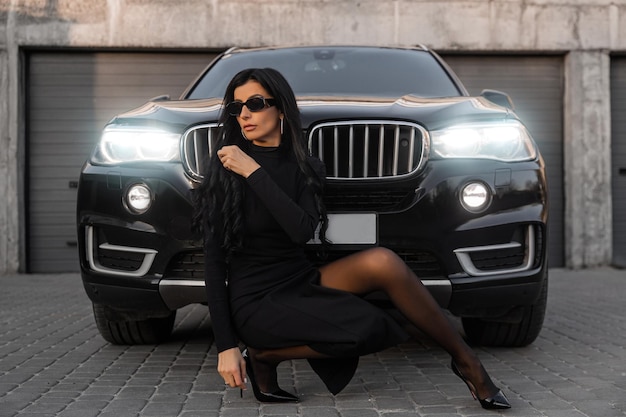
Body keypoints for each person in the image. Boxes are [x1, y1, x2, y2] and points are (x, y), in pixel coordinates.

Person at [194, 67, 511, 410]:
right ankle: (264, 354)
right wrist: (225, 346)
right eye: (236, 107)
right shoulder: (226, 167)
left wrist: (254, 172)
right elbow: (213, 263)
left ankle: (466, 361)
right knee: (365, 331)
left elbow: (300, 231)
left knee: (383, 263)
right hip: (254, 298)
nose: (244, 114)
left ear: (281, 108)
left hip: (297, 278)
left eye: (255, 103)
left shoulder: (305, 167)